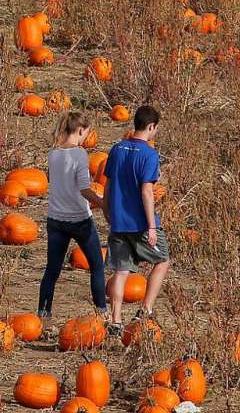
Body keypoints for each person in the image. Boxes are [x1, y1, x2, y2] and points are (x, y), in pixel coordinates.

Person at [101, 105, 170, 331]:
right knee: (162, 261)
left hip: (118, 222)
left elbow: (108, 184)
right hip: (139, 222)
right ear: (151, 126)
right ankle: (145, 310)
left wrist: (106, 210)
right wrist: (151, 226)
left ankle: (116, 320)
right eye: (155, 129)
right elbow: (146, 192)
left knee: (121, 271)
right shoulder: (150, 154)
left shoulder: (117, 149)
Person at [37, 111, 107, 323]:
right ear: (79, 130)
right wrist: (102, 202)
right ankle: (102, 311)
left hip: (55, 219)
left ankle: (43, 312)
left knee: (52, 269)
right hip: (79, 220)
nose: (87, 137)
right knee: (97, 266)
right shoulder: (79, 154)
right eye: (86, 133)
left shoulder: (53, 154)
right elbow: (84, 189)